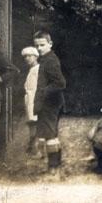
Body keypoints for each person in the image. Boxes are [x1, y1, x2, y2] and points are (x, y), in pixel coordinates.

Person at [32, 30, 67, 172]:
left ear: (50, 44)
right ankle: (56, 164)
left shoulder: (51, 60)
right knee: (51, 133)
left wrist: (43, 92)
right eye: (37, 45)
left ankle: (53, 167)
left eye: (42, 45)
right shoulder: (46, 59)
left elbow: (60, 83)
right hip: (49, 103)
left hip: (51, 103)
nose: (39, 48)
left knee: (49, 135)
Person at [21, 46, 44, 157]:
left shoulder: (38, 69)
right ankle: (32, 147)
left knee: (35, 124)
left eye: (30, 56)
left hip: (35, 100)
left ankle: (38, 150)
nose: (27, 58)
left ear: (36, 56)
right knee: (31, 124)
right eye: (25, 56)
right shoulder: (31, 70)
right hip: (30, 99)